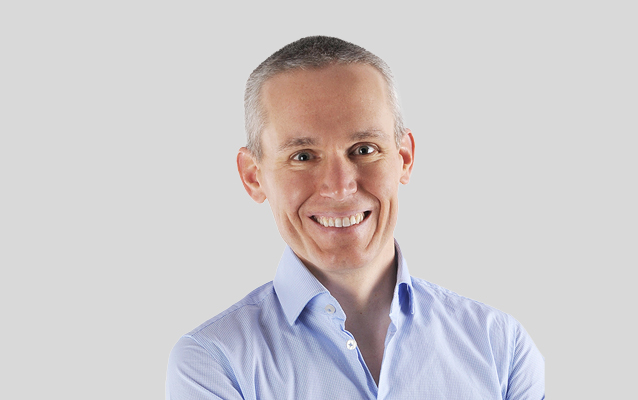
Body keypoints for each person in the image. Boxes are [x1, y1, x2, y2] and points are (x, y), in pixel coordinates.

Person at [166, 36, 545, 399]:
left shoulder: (502, 348)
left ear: (404, 158)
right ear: (253, 176)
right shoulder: (214, 363)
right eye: (303, 156)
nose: (338, 186)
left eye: (364, 149)